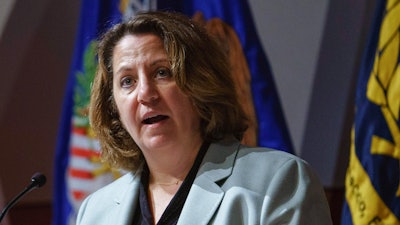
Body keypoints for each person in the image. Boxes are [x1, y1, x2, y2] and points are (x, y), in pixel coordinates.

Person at [76, 11, 332, 225]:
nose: (145, 93)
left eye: (162, 72)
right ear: (113, 107)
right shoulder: (95, 212)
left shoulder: (277, 183)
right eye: (127, 81)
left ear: (201, 85)